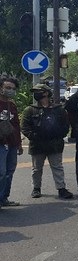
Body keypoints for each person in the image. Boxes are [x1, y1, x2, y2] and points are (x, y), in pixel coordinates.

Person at [21, 84, 73, 199]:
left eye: (39, 91)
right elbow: (25, 127)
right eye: (36, 92)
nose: (37, 94)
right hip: (37, 144)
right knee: (36, 169)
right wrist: (34, 136)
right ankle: (36, 188)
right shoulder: (30, 110)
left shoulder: (58, 110)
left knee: (57, 167)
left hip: (55, 144)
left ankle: (61, 189)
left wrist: (58, 135)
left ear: (47, 93)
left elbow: (66, 126)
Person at [0, 76, 23, 207]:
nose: (11, 90)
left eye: (13, 88)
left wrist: (19, 143)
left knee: (9, 172)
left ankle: (4, 198)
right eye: (8, 87)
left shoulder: (11, 105)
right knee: (1, 172)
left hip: (12, 144)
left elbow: (16, 125)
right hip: (0, 144)